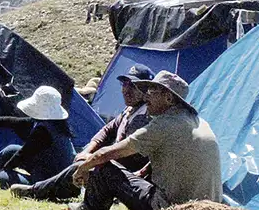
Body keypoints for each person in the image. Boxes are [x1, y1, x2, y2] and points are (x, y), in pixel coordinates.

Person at [66, 70, 222, 210]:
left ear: (168, 98)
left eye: (152, 91)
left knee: (104, 168)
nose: (146, 96)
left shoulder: (164, 124)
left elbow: (106, 154)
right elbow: (173, 157)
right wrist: (141, 173)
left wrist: (82, 168)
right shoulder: (196, 121)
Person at [9, 64, 154, 200]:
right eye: (125, 84)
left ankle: (35, 191)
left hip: (127, 172)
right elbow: (107, 130)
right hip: (114, 164)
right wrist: (89, 150)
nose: (126, 90)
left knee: (80, 166)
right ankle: (66, 186)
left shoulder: (145, 117)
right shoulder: (130, 110)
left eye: (133, 86)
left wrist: (93, 159)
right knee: (83, 158)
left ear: (147, 90)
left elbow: (124, 153)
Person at [0, 86, 75, 191]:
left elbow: (23, 155)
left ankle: (32, 189)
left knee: (3, 177)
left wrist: (3, 168)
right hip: (46, 169)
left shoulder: (43, 131)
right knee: (11, 149)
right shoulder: (54, 123)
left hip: (53, 182)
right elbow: (17, 122)